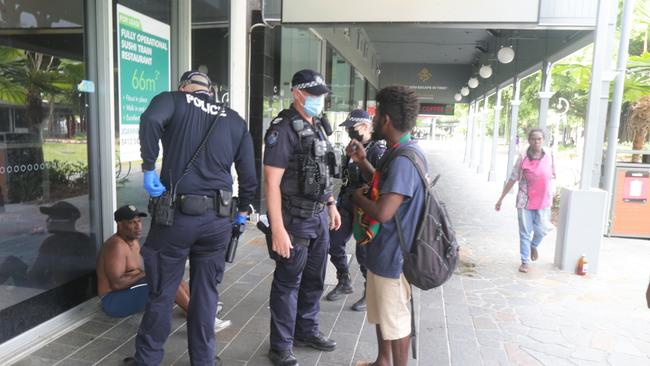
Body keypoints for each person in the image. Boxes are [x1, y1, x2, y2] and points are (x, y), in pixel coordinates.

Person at [127, 71, 257, 366]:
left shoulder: (173, 100)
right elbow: (249, 174)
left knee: (163, 291)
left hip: (176, 219)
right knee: (206, 293)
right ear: (209, 92)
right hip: (218, 221)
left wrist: (148, 166)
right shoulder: (235, 120)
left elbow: (150, 120)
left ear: (184, 87)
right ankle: (203, 360)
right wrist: (242, 212)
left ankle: (147, 361)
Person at [263, 69, 342, 366]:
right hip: (294, 219)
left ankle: (306, 331)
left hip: (319, 216)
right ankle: (281, 346)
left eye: (322, 95)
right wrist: (277, 230)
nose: (320, 101)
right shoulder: (283, 129)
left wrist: (331, 203)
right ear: (298, 94)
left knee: (314, 280)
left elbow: (322, 171)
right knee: (287, 283)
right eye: (315, 95)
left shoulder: (319, 126)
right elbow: (271, 183)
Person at [350, 85, 425, 366]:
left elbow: (383, 212)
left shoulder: (404, 159)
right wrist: (363, 163)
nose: (375, 117)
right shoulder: (400, 150)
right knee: (383, 311)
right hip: (383, 251)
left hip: (393, 255)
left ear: (386, 120)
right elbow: (388, 189)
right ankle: (383, 360)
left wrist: (357, 197)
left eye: (377, 112)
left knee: (396, 319)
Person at [97, 204, 231, 332]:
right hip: (114, 302)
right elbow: (117, 284)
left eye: (139, 221)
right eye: (132, 222)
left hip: (129, 291)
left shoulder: (133, 241)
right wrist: (146, 272)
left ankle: (199, 309)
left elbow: (137, 273)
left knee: (171, 274)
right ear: (120, 224)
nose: (138, 227)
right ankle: (203, 322)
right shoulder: (116, 246)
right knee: (164, 279)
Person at [325, 109, 386, 312]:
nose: (350, 131)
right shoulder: (351, 148)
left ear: (366, 126)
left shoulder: (378, 151)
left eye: (353, 127)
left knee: (364, 252)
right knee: (333, 241)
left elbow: (378, 182)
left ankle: (370, 293)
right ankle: (344, 280)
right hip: (347, 203)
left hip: (365, 209)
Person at [495, 128, 555, 273]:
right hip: (525, 201)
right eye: (534, 139)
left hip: (544, 201)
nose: (536, 141)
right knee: (525, 232)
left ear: (543, 140)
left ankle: (533, 245)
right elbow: (512, 178)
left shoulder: (549, 155)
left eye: (539, 139)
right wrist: (501, 198)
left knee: (542, 230)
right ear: (529, 141)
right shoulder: (523, 158)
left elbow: (553, 175)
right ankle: (525, 261)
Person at [0, 201, 95, 289]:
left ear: (62, 222)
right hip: (74, 293)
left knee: (11, 262)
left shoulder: (52, 242)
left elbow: (35, 275)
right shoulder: (84, 239)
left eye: (50, 217)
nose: (47, 220)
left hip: (50, 295)